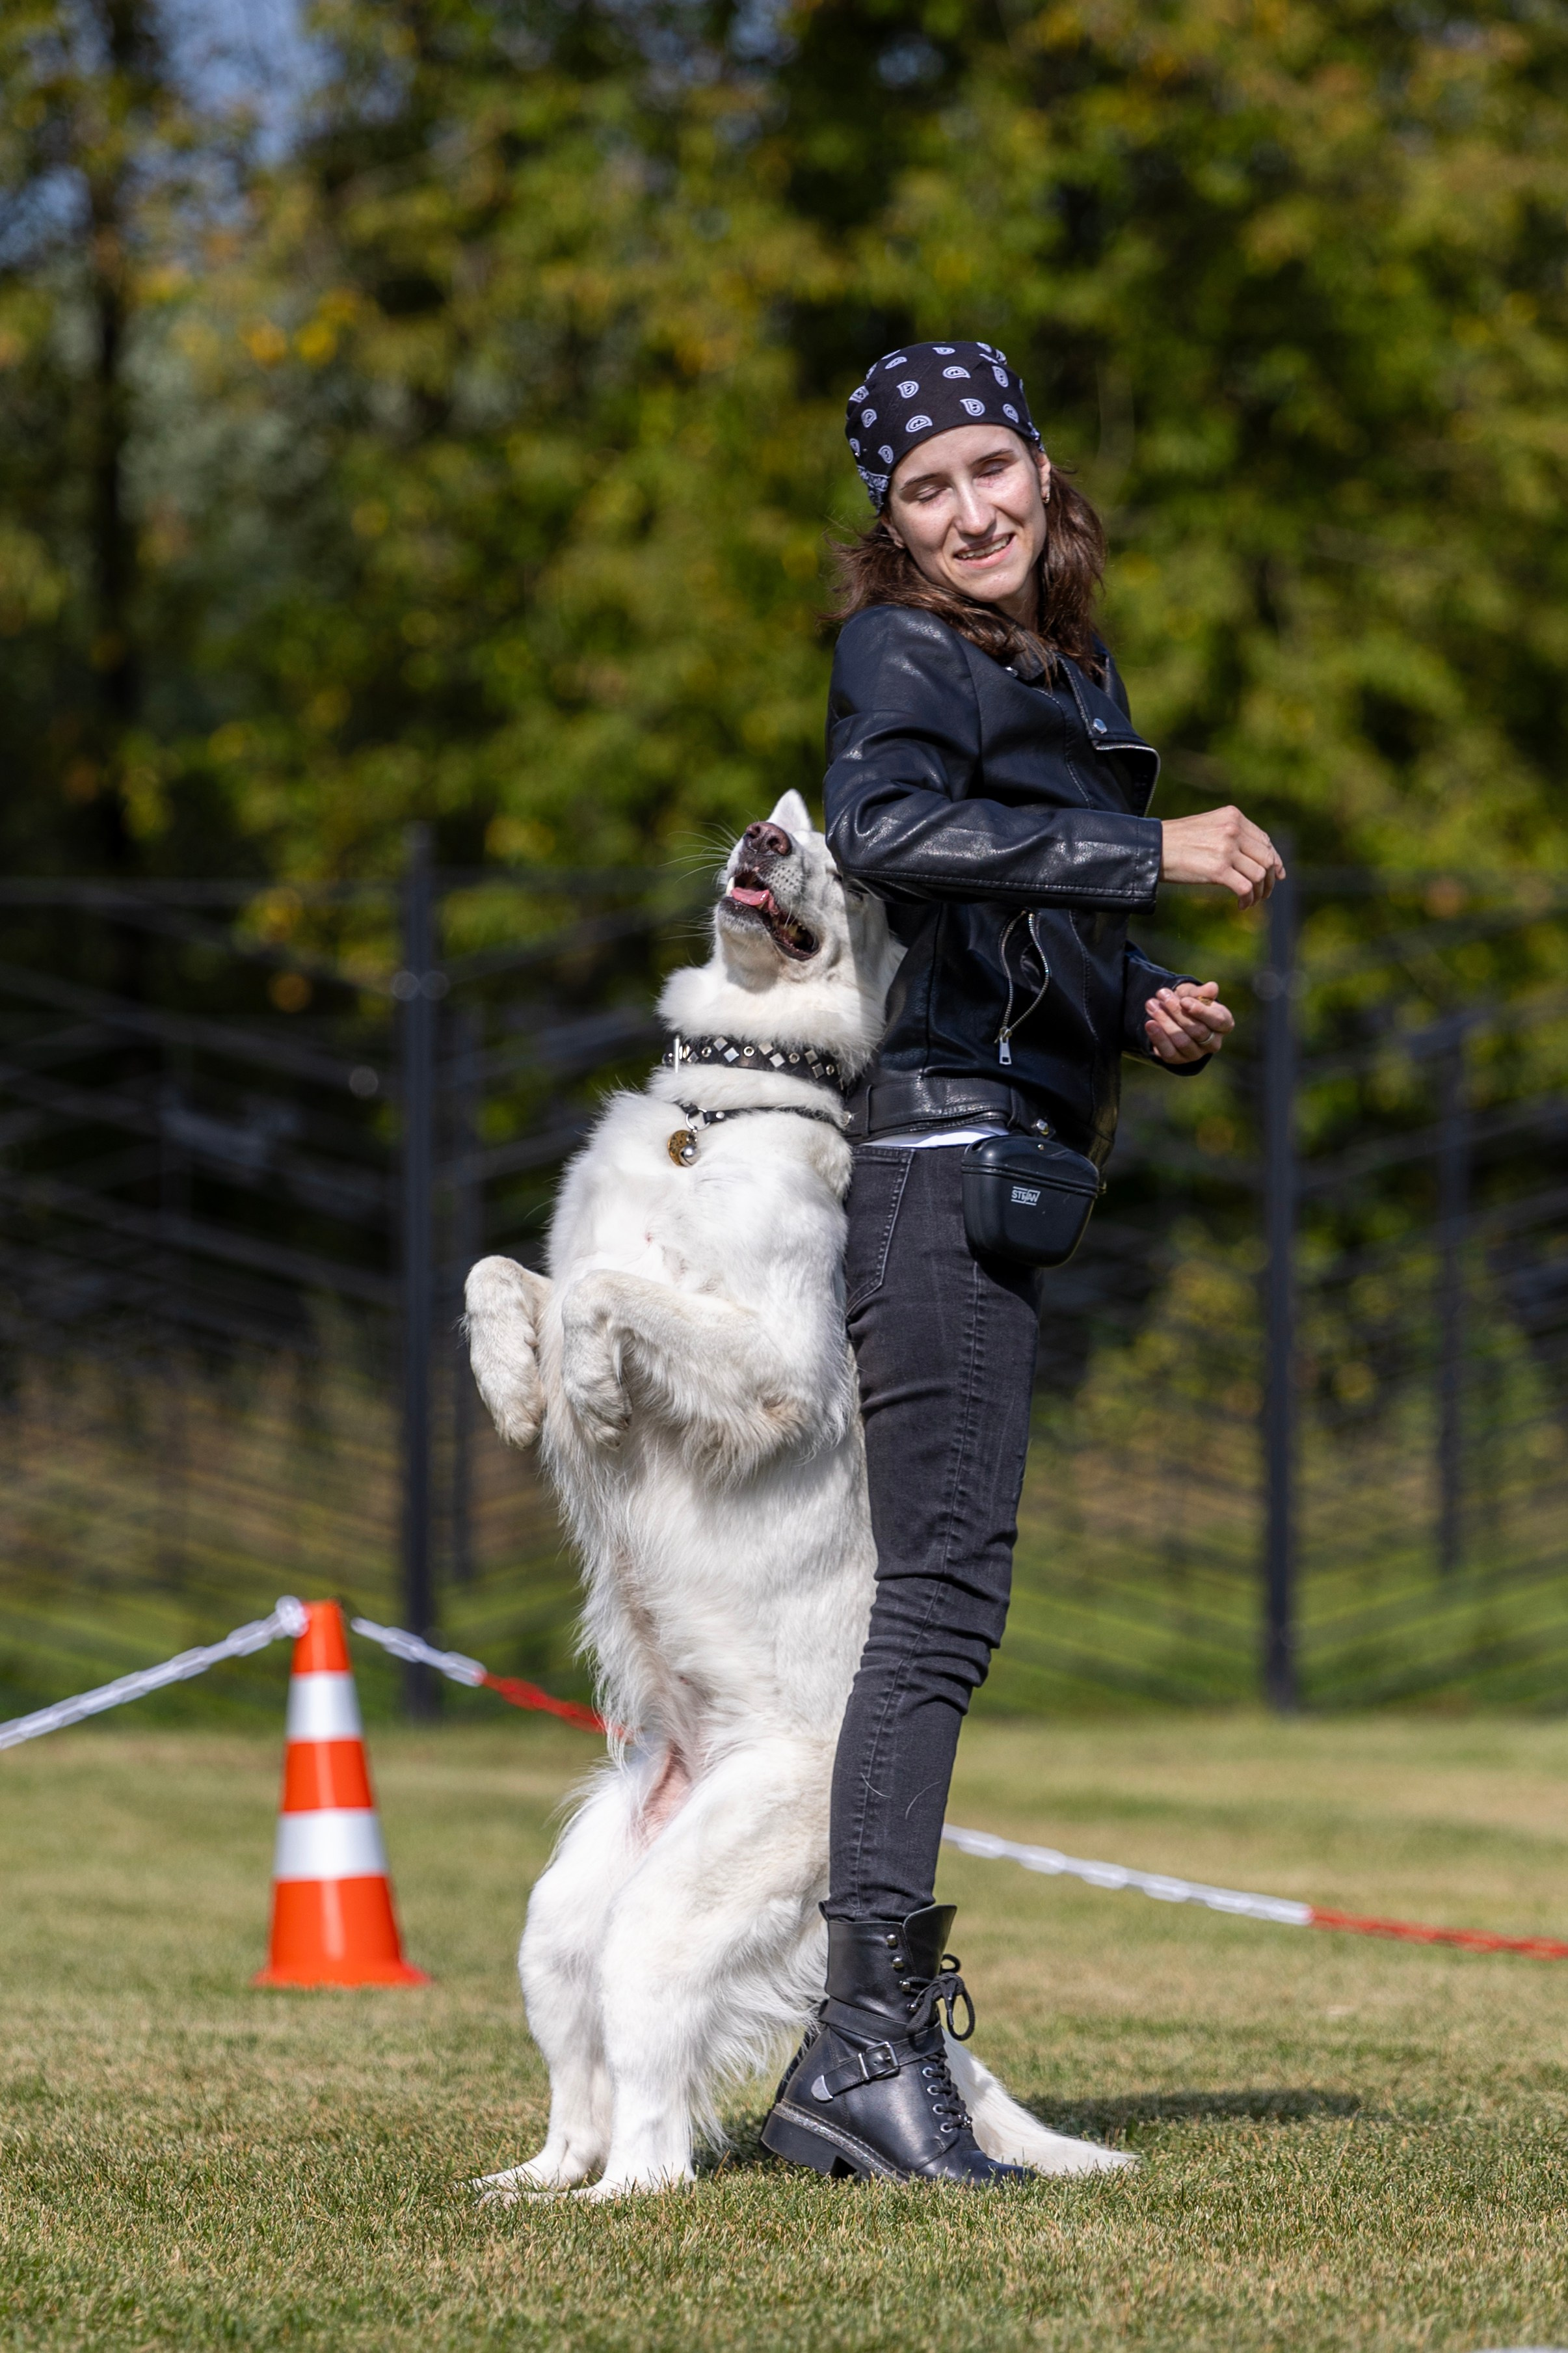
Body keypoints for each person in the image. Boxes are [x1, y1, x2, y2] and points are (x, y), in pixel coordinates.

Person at [762, 338, 1284, 2186]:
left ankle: (865, 2047)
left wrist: (1133, 1002)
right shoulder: (898, 652)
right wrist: (1144, 849)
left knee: (945, 1602)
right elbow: (891, 836)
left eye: (990, 469)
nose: (970, 510)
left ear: (1043, 473)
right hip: (930, 1173)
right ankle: (863, 2046)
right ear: (887, 524)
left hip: (1000, 1157)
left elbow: (1004, 908)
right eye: (925, 489)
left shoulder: (1049, 661)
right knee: (935, 1608)